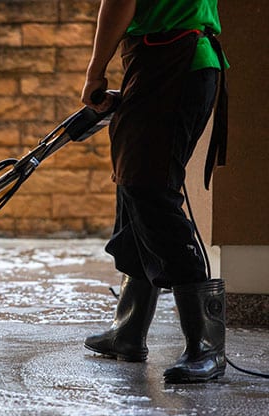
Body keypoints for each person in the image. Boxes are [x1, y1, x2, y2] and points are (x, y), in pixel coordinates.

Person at [80, 0, 228, 383]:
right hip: (161, 62)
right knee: (133, 186)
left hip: (176, 61)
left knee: (149, 190)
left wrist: (95, 72)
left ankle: (207, 345)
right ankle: (128, 329)